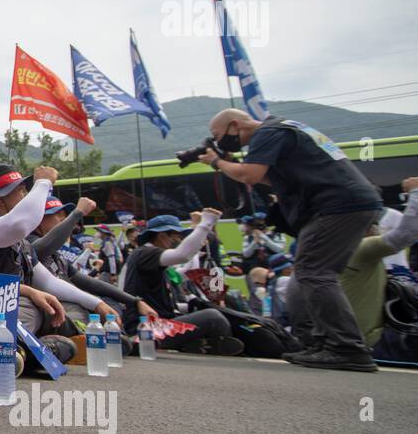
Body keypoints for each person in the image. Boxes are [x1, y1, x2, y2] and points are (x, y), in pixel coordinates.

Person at [202, 107, 382, 371]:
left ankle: (346, 348)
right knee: (309, 273)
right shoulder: (283, 128)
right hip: (347, 203)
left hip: (336, 205)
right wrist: (228, 163)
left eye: (217, 135)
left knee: (314, 272)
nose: (218, 142)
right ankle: (322, 343)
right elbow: (266, 178)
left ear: (234, 125)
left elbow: (248, 175)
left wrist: (216, 162)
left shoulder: (268, 132)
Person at [0, 164, 95, 366]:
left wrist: (97, 304)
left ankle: (30, 351)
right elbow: (19, 223)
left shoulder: (23, 242)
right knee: (31, 308)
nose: (27, 195)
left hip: (24, 310)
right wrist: (43, 183)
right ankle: (14, 351)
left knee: (65, 316)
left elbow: (50, 282)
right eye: (21, 191)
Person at [120, 212, 244, 354]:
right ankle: (214, 345)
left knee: (216, 311)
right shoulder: (146, 253)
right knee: (213, 317)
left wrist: (192, 305)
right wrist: (206, 223)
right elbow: (183, 255)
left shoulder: (151, 259)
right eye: (176, 236)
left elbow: (183, 273)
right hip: (146, 328)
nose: (179, 240)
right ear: (162, 236)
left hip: (159, 323)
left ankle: (201, 344)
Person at [30, 196, 159, 332]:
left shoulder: (57, 255)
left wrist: (136, 301)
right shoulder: (29, 245)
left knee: (111, 304)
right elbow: (41, 249)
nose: (63, 218)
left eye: (64, 214)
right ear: (38, 220)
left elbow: (89, 282)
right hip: (55, 315)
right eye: (57, 215)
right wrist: (77, 214)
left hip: (74, 310)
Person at [325, 176, 418, 363]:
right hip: (374, 341)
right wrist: (415, 192)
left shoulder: (332, 248)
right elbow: (407, 233)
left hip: (350, 339)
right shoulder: (359, 249)